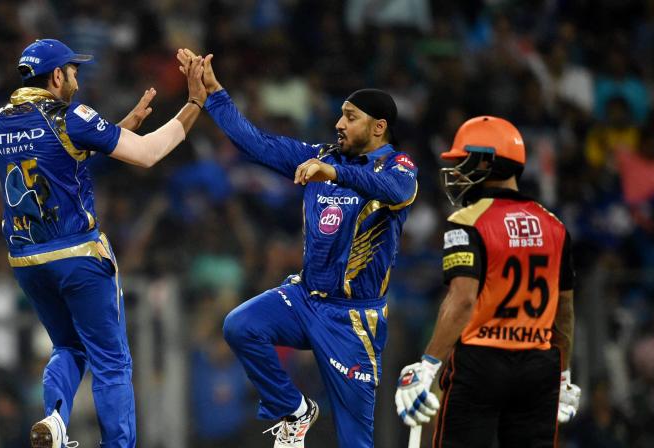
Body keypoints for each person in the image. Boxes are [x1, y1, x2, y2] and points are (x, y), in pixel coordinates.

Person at [177, 49, 419, 448]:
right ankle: (293, 409)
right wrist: (216, 94)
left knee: (356, 440)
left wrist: (334, 172)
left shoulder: (398, 166)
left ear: (379, 128)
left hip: (353, 320)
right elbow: (257, 144)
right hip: (305, 298)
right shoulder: (320, 156)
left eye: (351, 117)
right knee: (240, 325)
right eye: (341, 114)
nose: (339, 123)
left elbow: (398, 191)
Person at [0, 39, 207, 448]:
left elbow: (57, 160)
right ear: (56, 76)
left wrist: (117, 129)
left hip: (27, 261)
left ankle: (54, 418)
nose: (76, 78)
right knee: (111, 361)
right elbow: (147, 155)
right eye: (72, 71)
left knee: (67, 346)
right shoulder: (71, 115)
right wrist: (195, 102)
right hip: (78, 256)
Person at [394, 116, 581, 447]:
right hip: (539, 365)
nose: (458, 172)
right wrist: (563, 375)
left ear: (487, 161)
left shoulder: (467, 221)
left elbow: (463, 300)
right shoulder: (555, 226)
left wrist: (428, 365)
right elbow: (563, 310)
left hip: (481, 364)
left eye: (463, 160)